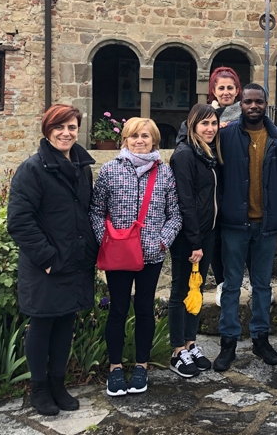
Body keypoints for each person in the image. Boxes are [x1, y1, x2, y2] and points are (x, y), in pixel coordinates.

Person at [8, 104, 97, 416]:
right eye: (59, 127)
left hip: (75, 262)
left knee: (65, 323)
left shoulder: (83, 168)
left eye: (72, 127)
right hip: (46, 266)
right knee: (42, 325)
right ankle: (40, 389)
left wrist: (90, 252)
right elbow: (19, 221)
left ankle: (58, 384)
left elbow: (85, 213)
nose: (66, 133)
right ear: (47, 130)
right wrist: (47, 258)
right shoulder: (32, 170)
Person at [90, 117, 181, 395]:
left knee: (144, 310)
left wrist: (162, 243)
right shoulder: (109, 171)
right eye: (133, 136)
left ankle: (141, 365)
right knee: (117, 310)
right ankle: (115, 368)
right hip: (118, 255)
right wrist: (105, 241)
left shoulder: (164, 173)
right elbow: (96, 211)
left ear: (154, 140)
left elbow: (175, 215)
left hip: (151, 256)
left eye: (145, 136)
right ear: (124, 140)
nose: (139, 141)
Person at [213, 83, 277, 372]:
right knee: (231, 285)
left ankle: (260, 337)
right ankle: (229, 341)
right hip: (234, 224)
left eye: (258, 101)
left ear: (266, 103)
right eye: (248, 101)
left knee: (262, 286)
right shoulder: (225, 135)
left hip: (266, 224)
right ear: (241, 103)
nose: (253, 106)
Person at [168, 104, 223, 378]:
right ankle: (177, 351)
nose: (210, 128)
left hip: (206, 233)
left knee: (196, 290)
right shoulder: (185, 155)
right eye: (205, 124)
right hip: (189, 238)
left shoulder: (207, 153)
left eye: (213, 123)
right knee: (180, 292)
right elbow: (185, 201)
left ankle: (191, 343)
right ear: (192, 125)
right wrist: (194, 242)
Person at [207, 66, 242, 306]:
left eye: (230, 87)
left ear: (237, 90)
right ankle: (221, 283)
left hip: (237, 184)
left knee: (239, 237)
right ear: (214, 91)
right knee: (217, 237)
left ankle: (240, 281)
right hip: (213, 185)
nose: (226, 92)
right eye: (222, 88)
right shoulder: (206, 115)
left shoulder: (246, 113)